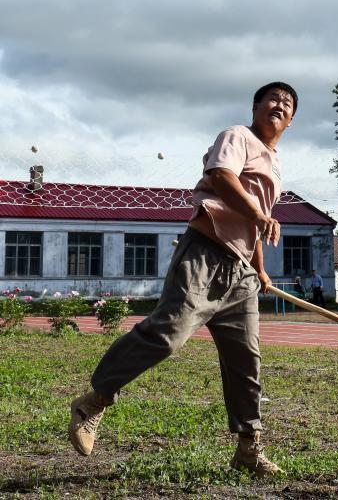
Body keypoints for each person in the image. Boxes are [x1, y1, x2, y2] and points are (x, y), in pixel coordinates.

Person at [68, 81, 298, 478]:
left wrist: (259, 268)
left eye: (288, 103)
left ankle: (249, 447)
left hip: (241, 274)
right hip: (205, 255)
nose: (280, 104)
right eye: (273, 98)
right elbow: (223, 177)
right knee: (168, 333)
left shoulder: (275, 163)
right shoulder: (237, 136)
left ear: (291, 120)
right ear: (256, 106)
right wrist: (260, 217)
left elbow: (255, 219)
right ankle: (94, 401)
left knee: (247, 360)